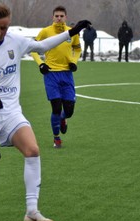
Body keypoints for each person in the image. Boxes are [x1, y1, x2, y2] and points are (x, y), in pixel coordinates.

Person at [0, 3, 89, 221]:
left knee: (32, 151)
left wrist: (70, 33)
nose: (0, 32)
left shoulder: (16, 41)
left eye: (4, 27)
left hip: (12, 112)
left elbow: (42, 45)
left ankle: (32, 210)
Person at [31, 5, 82, 148]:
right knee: (56, 107)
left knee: (69, 111)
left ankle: (63, 119)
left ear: (66, 17)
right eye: (56, 16)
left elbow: (78, 49)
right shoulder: (46, 32)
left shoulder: (72, 33)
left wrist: (73, 61)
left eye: (61, 16)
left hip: (67, 75)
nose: (59, 18)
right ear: (52, 17)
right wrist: (41, 63)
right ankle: (56, 138)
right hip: (51, 74)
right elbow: (32, 48)